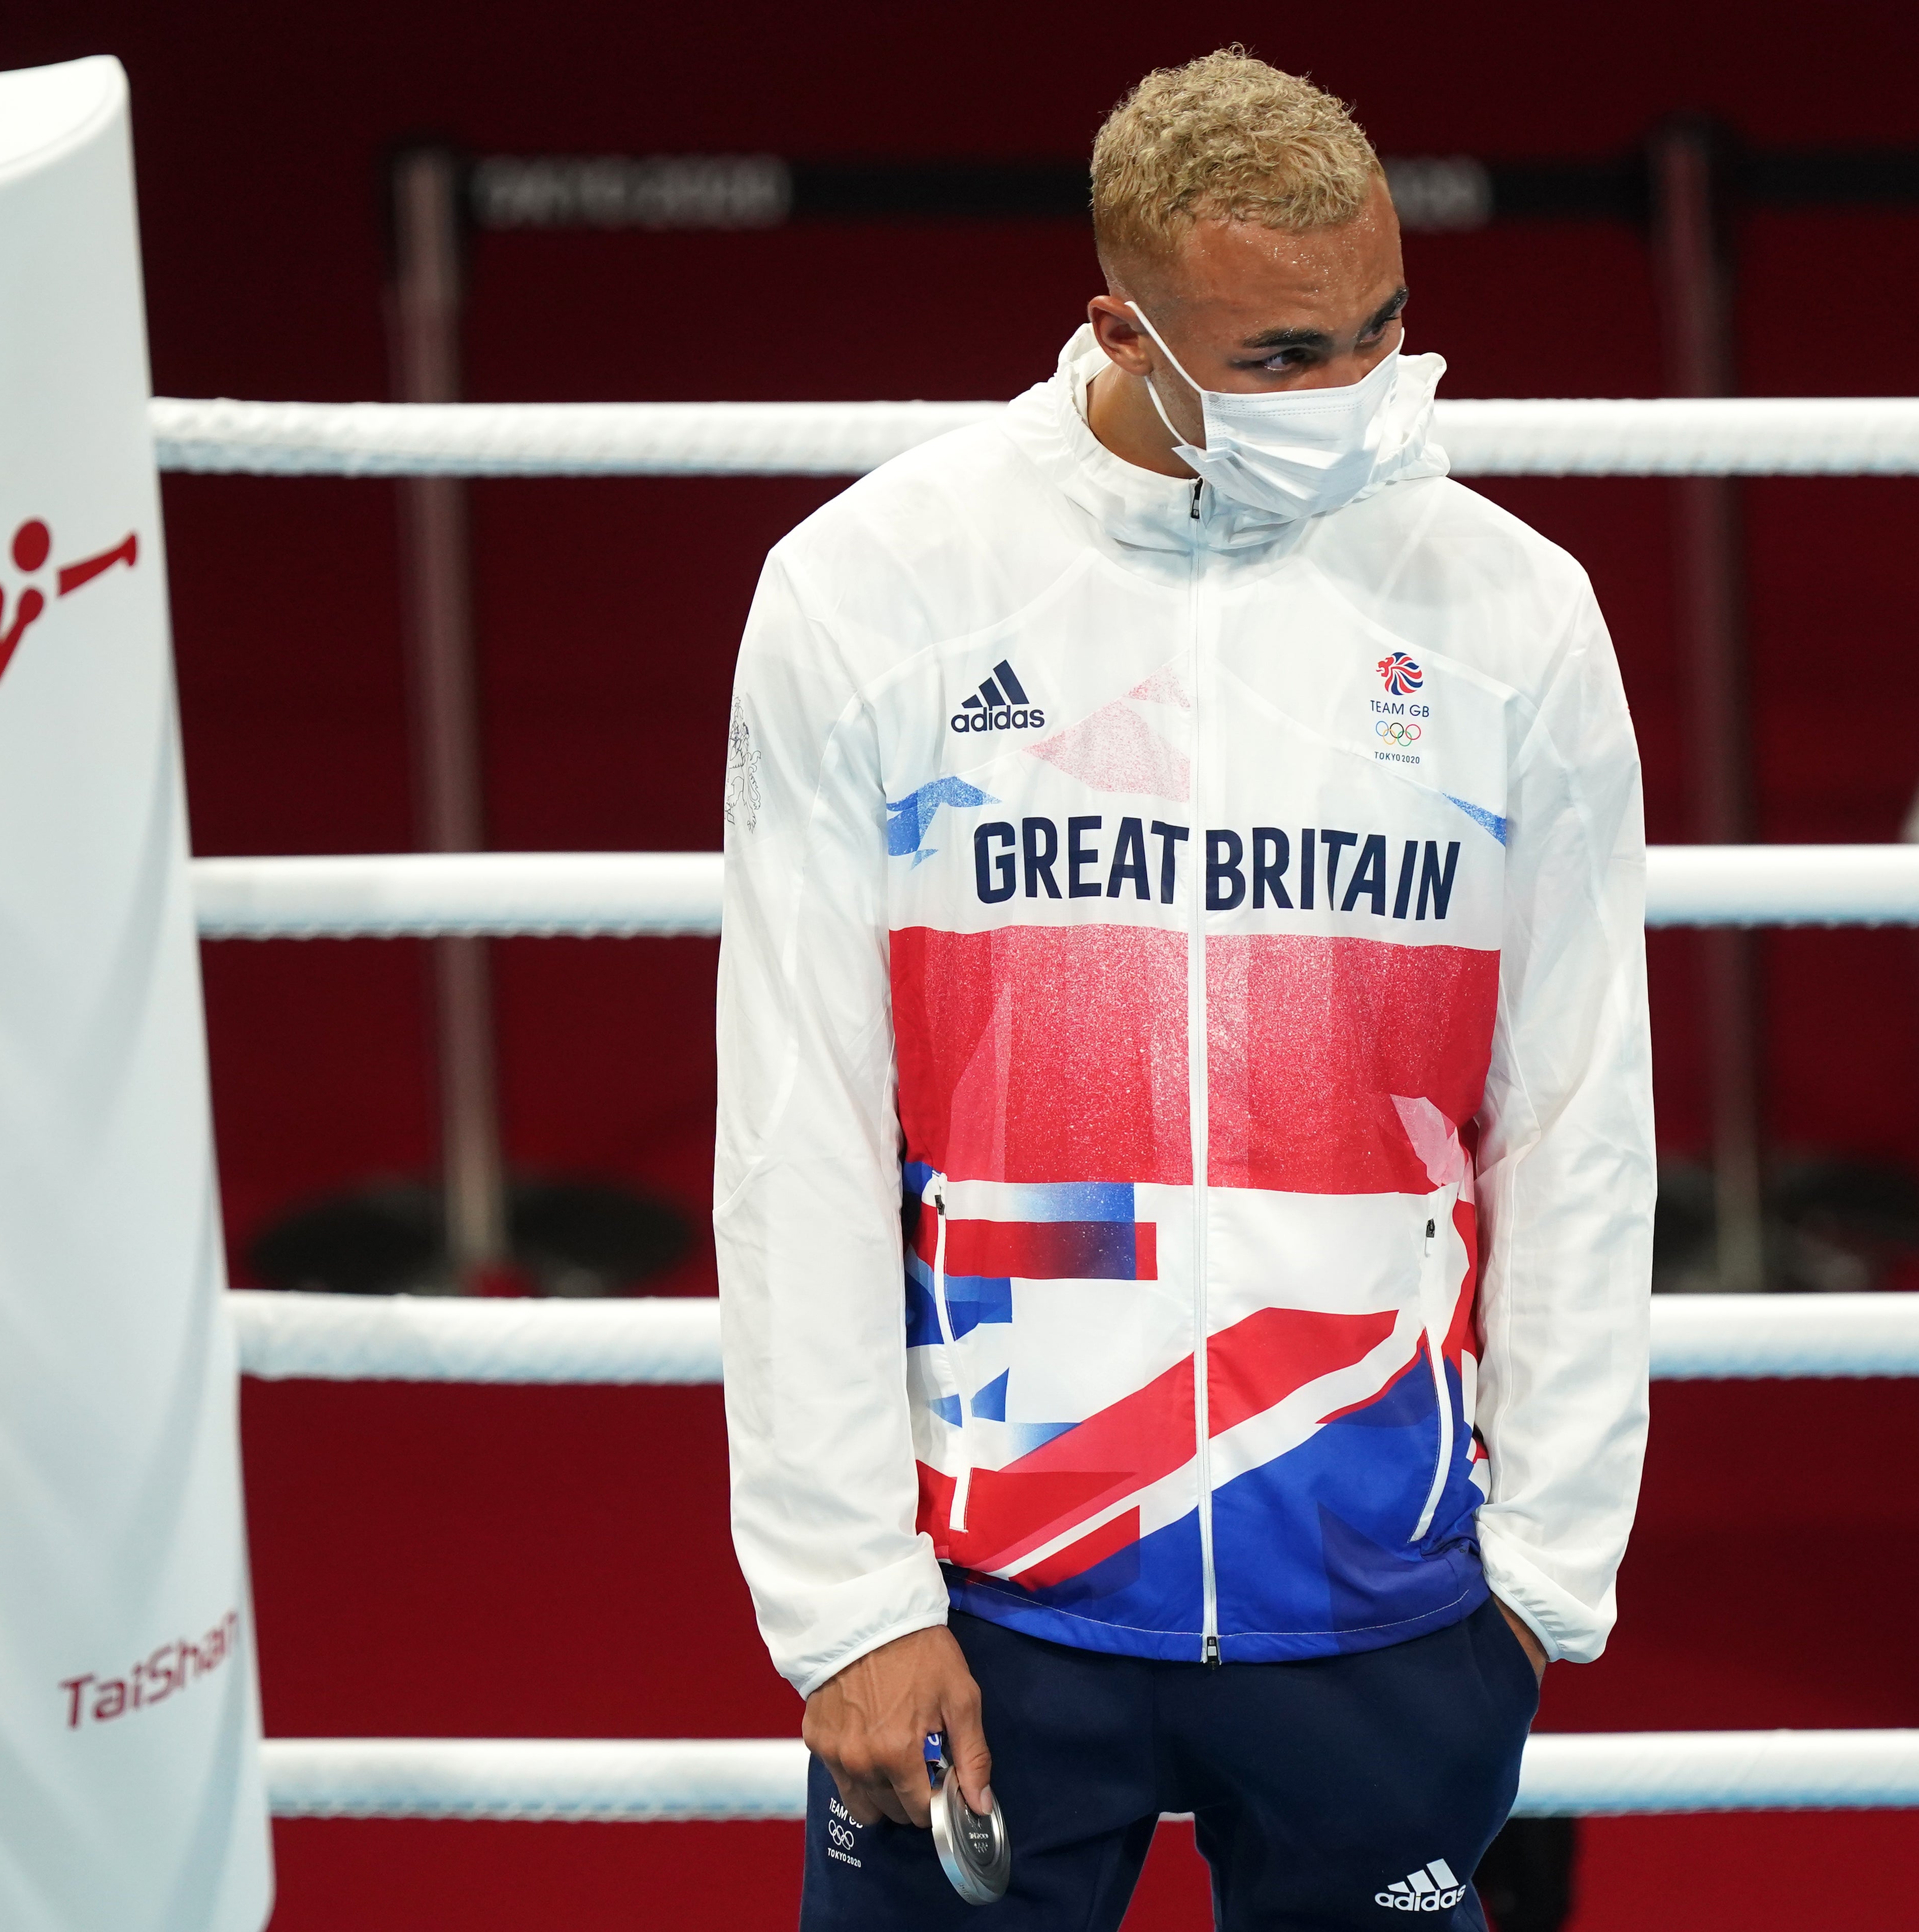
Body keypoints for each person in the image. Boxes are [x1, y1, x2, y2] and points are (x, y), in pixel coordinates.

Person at [716, 48, 1654, 1930]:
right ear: (1120, 331)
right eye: (1283, 359)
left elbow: (1574, 1111)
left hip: (1382, 1585)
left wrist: (1545, 1573)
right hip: (994, 1588)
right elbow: (800, 1114)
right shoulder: (871, 594)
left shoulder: (1513, 614)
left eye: (1382, 331)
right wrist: (846, 1606)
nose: (1356, 399)